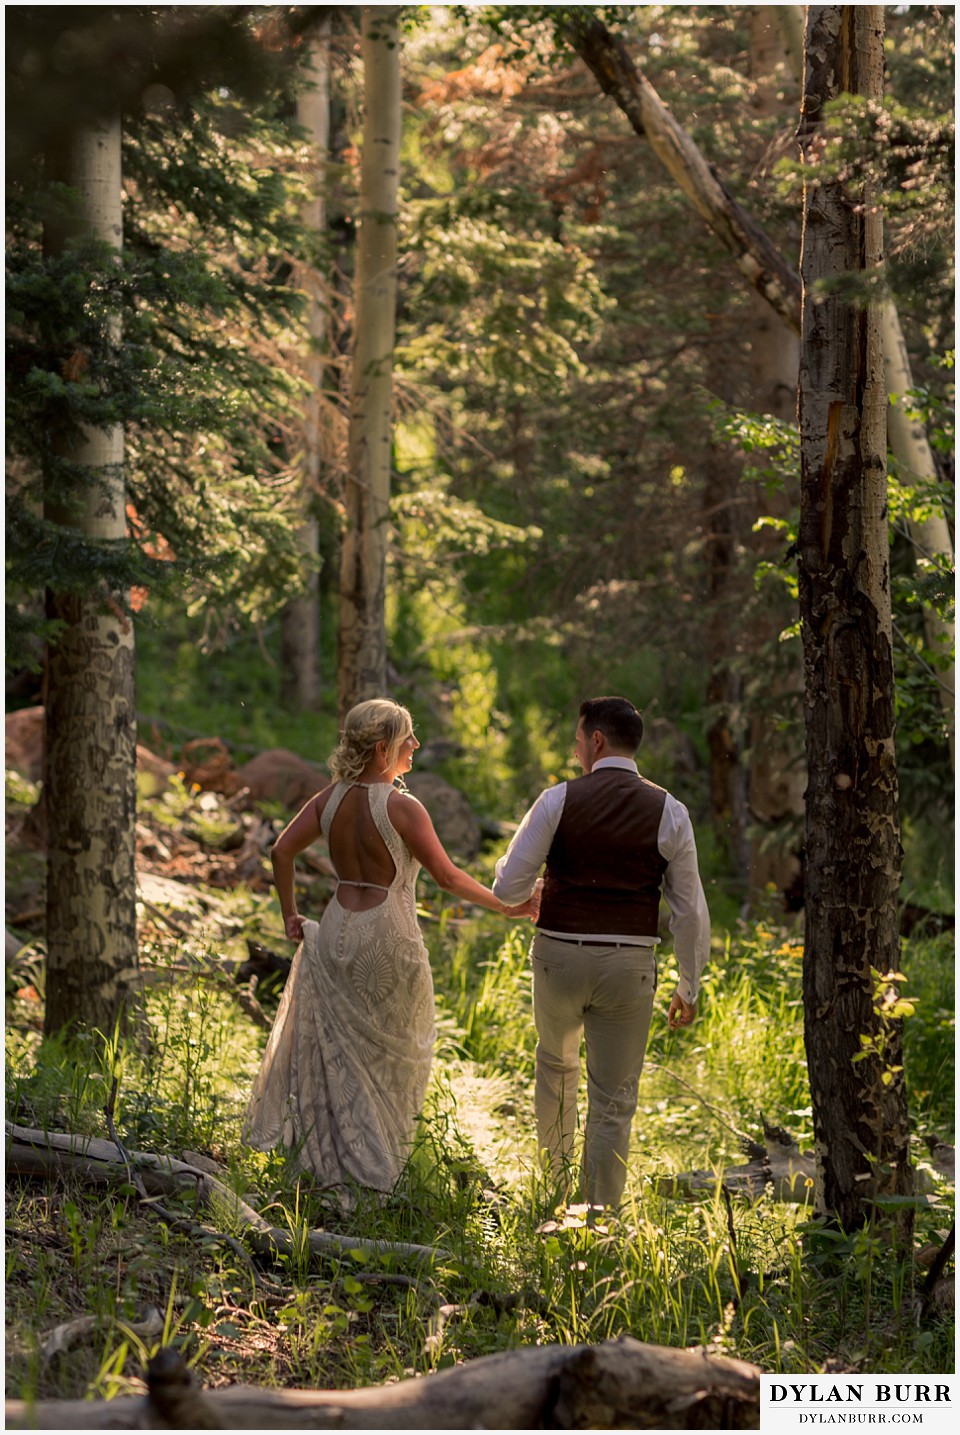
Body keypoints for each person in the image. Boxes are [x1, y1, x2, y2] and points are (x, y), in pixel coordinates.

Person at [243, 698, 535, 1203]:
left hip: (335, 929)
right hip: (385, 934)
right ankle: (378, 1169)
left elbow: (281, 850)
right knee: (397, 1055)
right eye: (407, 739)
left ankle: (328, 1160)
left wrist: (290, 913)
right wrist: (505, 905)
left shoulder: (329, 800)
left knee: (340, 1054)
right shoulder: (402, 807)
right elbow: (445, 876)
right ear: (383, 749)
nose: (415, 747)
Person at [492, 695, 710, 1211]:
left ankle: (554, 1195)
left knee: (556, 1071)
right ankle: (597, 1221)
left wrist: (532, 888)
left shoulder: (557, 800)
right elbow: (691, 910)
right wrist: (688, 984)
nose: (575, 752)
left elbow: (506, 889)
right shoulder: (670, 810)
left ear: (596, 741)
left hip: (559, 957)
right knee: (613, 1101)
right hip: (628, 966)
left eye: (576, 741)